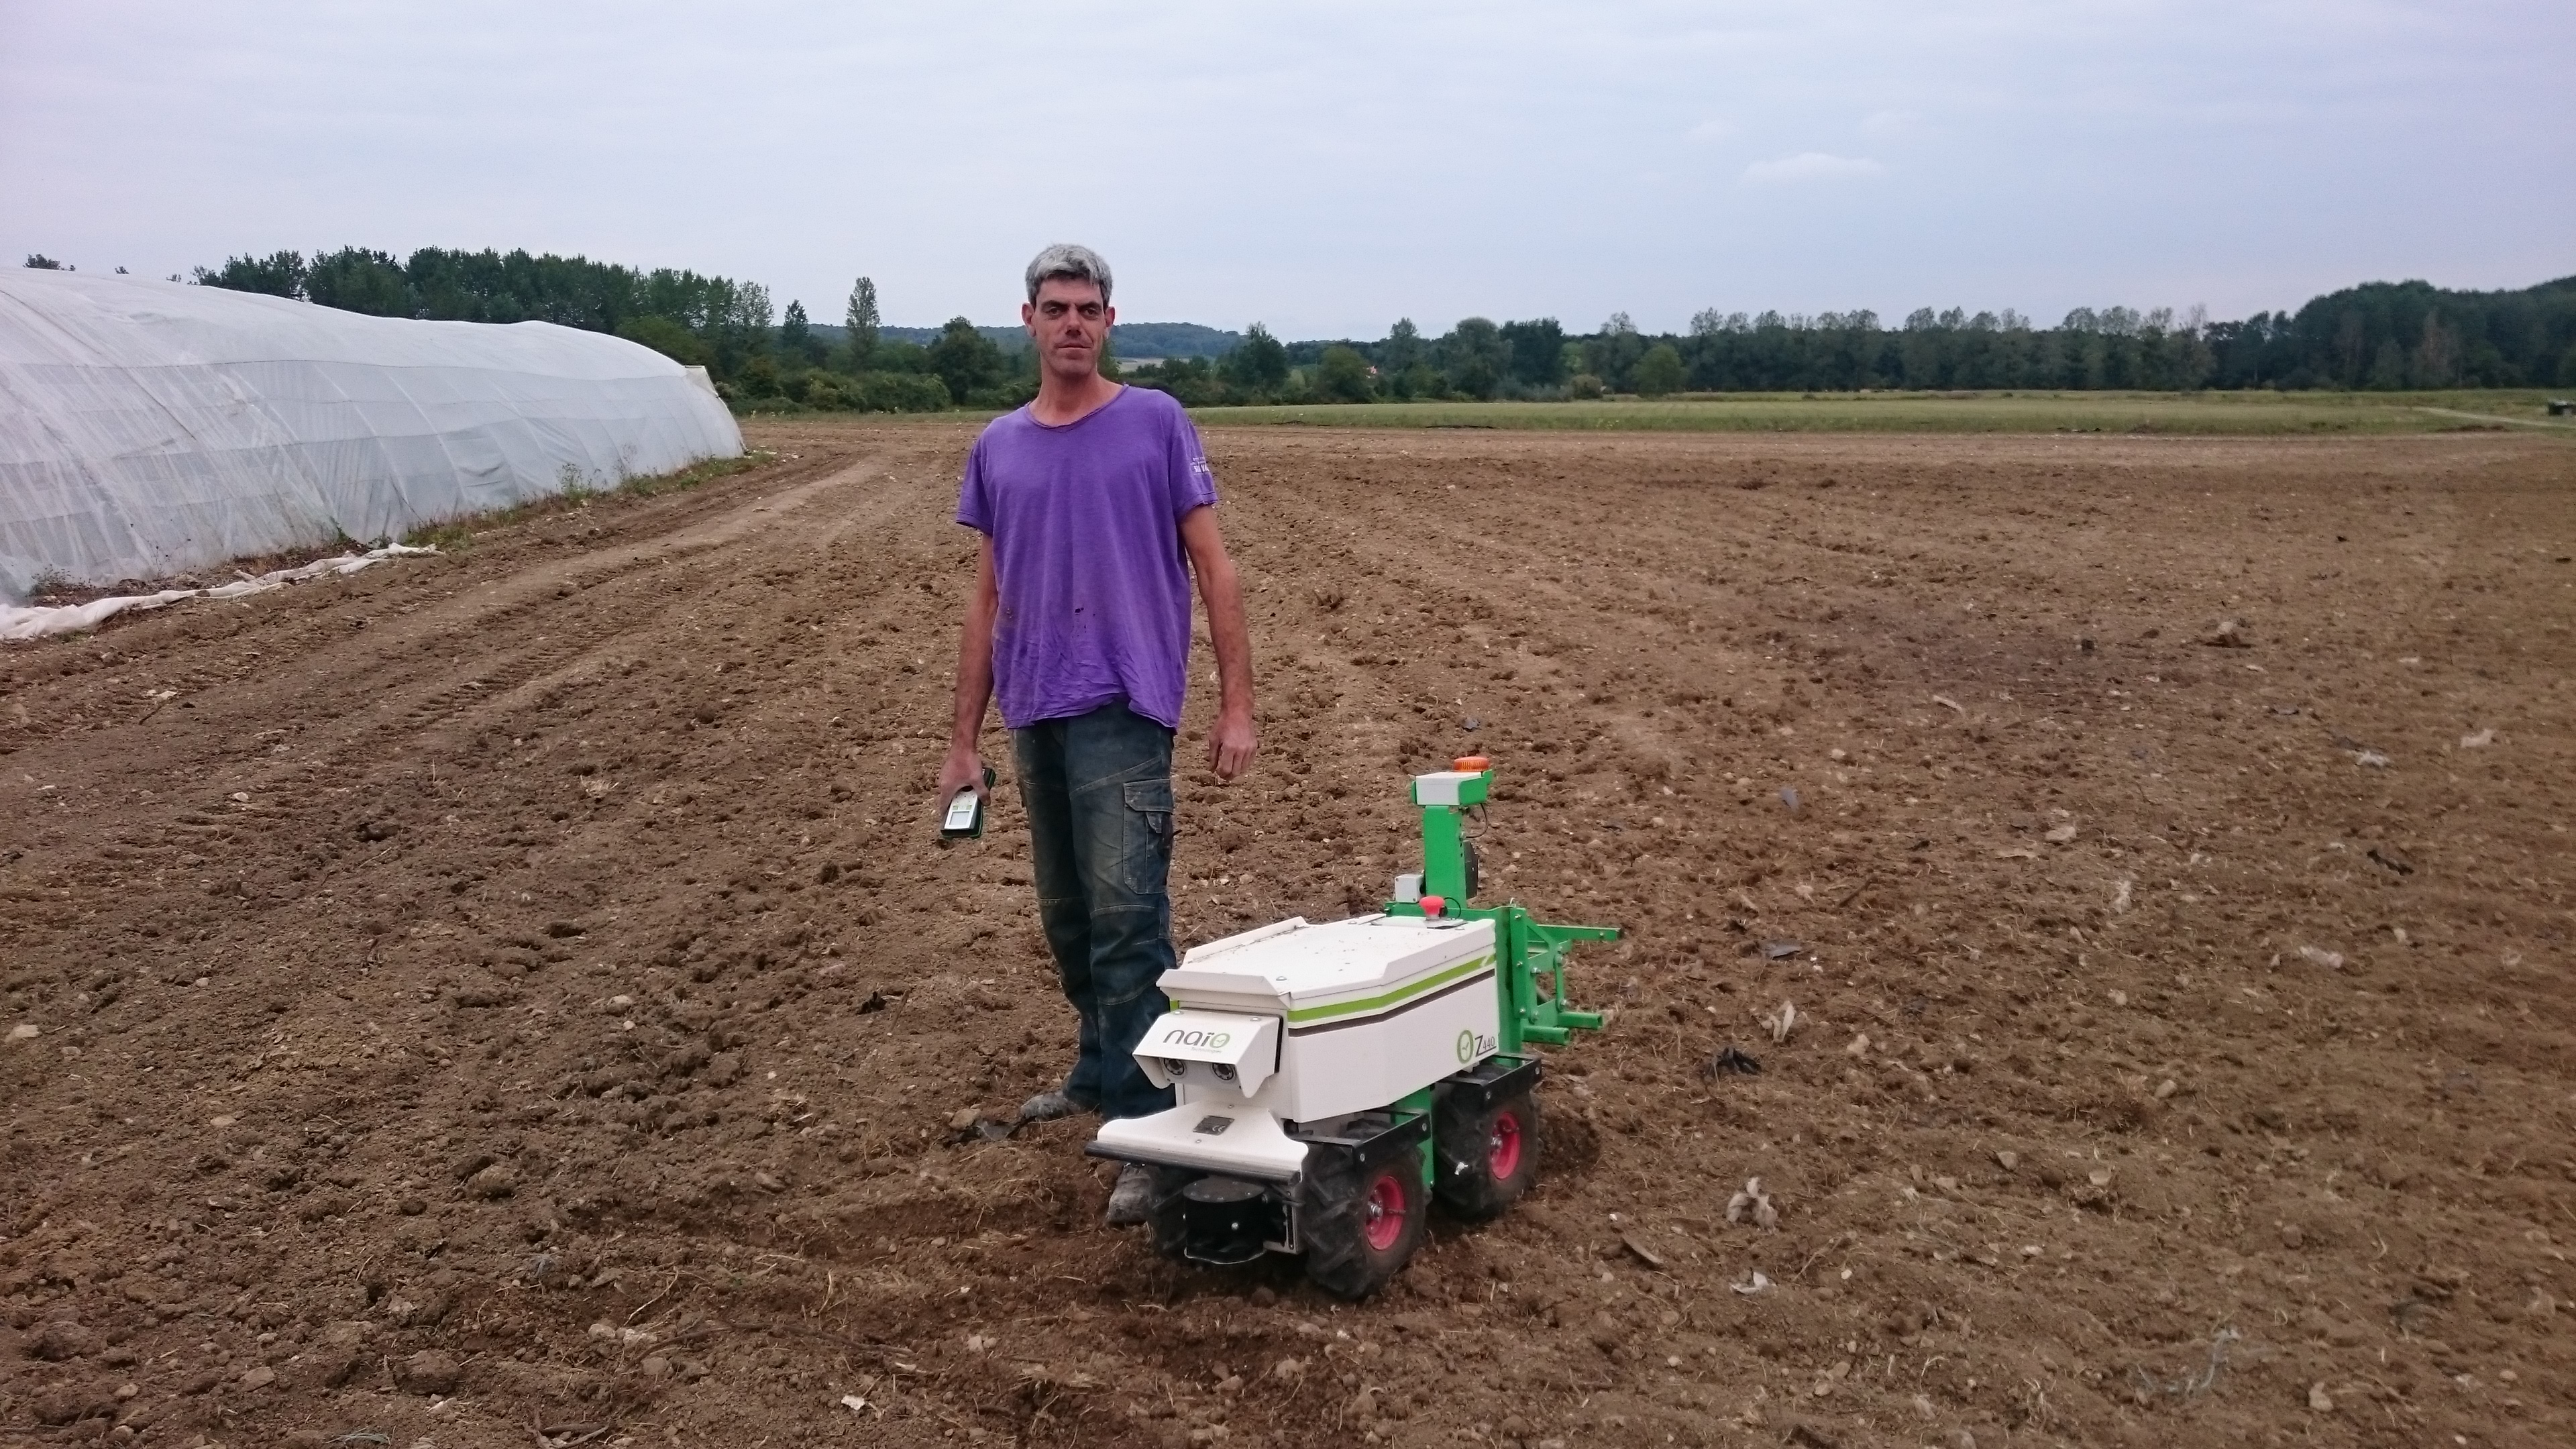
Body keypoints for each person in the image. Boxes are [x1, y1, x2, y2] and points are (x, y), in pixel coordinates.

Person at [938, 244, 1258, 1226]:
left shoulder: (1155, 423)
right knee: (1070, 918)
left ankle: (1147, 1126)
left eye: (1089, 308)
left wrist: (1236, 706)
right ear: (1027, 320)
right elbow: (988, 596)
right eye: (1056, 307)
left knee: (1129, 922)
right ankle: (1095, 1068)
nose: (1072, 322)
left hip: (1125, 702)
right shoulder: (998, 446)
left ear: (1109, 323)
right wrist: (963, 741)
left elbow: (1216, 568)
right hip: (1035, 706)